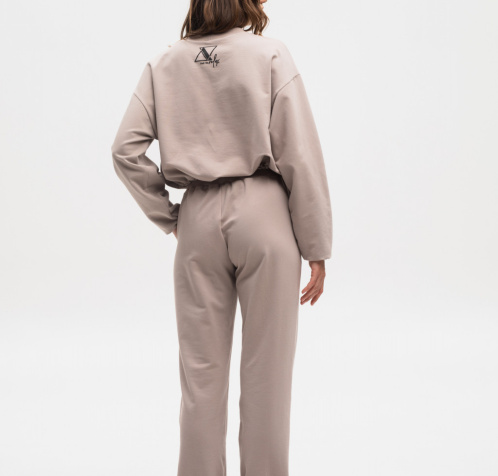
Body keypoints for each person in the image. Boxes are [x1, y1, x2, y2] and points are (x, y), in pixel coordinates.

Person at [110, 0, 333, 474]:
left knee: (201, 378)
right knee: (267, 374)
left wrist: (171, 217)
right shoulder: (269, 54)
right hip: (264, 214)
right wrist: (316, 245)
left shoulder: (164, 63)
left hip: (198, 217)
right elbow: (298, 153)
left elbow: (125, 150)